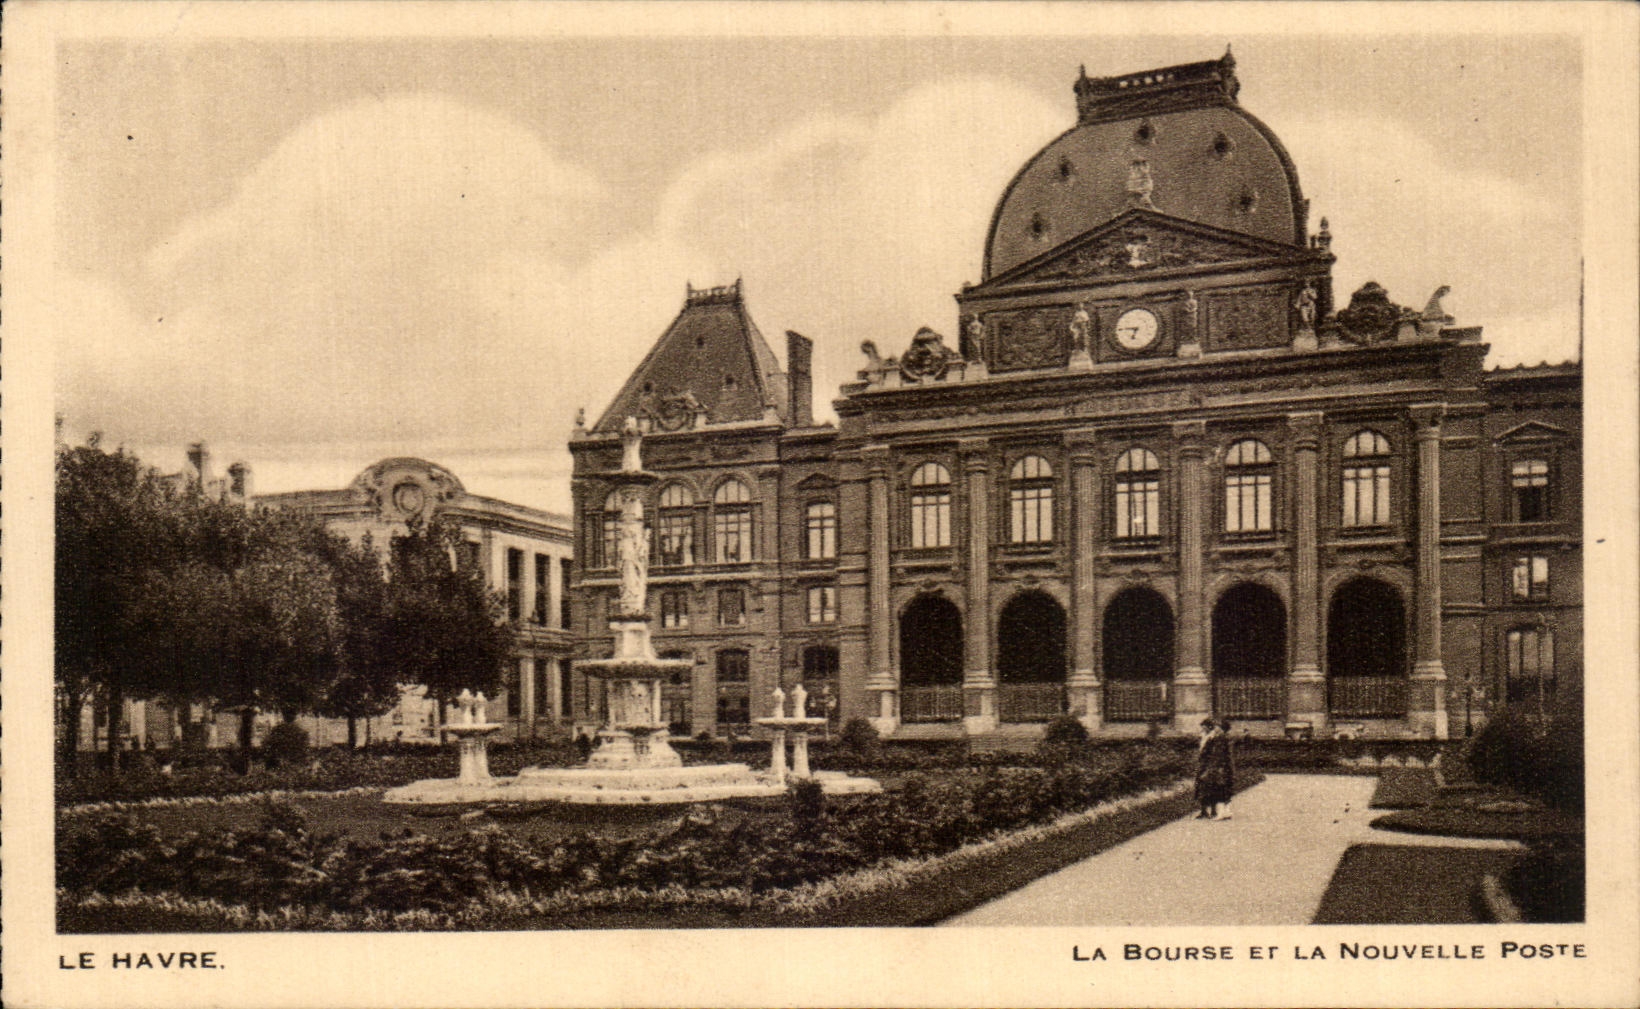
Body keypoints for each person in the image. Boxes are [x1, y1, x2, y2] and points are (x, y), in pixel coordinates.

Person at [1194, 717, 1234, 820]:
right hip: (1222, 766)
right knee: (1223, 789)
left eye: (1217, 726)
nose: (1215, 728)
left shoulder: (1219, 739)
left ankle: (1219, 813)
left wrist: (1213, 768)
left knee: (1218, 788)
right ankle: (1224, 812)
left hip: (1218, 767)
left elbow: (1217, 755)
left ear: (1221, 728)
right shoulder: (1222, 737)